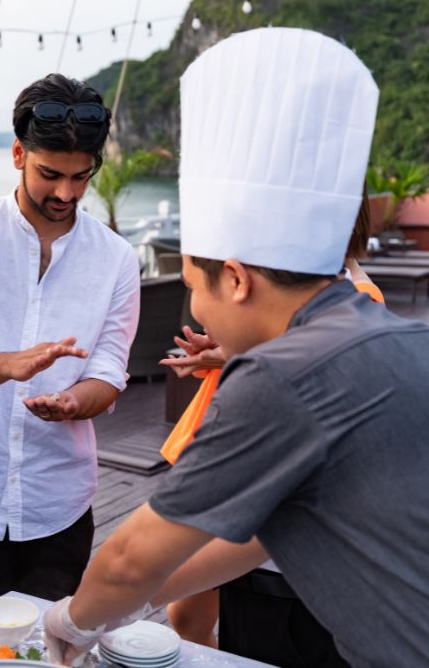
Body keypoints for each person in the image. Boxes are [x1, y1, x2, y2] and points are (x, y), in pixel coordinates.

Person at [42, 28, 429, 667]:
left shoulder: (282, 376)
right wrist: (135, 599)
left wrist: (72, 619)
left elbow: (132, 555)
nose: (196, 308)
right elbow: (254, 537)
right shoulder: (397, 336)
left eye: (195, 287)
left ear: (236, 279)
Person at [0, 74, 140, 610]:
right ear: (18, 153)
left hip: (58, 502)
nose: (66, 193)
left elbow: (108, 371)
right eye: (50, 175)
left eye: (81, 177)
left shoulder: (116, 258)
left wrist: (74, 402)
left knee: (48, 646)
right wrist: (7, 365)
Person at [157, 189, 385, 661]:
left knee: (199, 605)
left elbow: (304, 371)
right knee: (190, 611)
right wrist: (223, 350)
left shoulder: (359, 298)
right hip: (233, 450)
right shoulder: (305, 287)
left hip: (262, 486)